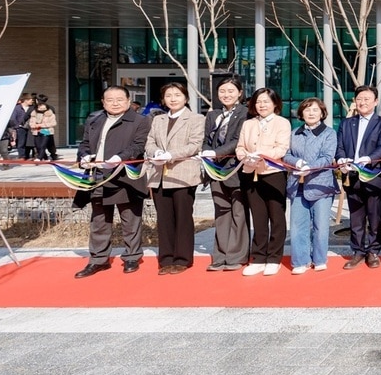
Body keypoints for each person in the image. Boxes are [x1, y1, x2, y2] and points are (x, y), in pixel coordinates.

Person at [73, 85, 152, 278]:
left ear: (128, 101)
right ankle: (98, 260)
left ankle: (132, 257)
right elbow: (84, 143)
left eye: (119, 99)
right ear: (103, 102)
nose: (115, 103)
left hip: (126, 176)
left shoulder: (140, 120)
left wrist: (119, 158)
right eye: (110, 100)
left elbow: (139, 146)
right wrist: (84, 157)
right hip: (98, 176)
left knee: (130, 219)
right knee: (99, 220)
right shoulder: (94, 119)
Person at [144, 81, 204, 276]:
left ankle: (182, 258)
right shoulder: (158, 119)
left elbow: (195, 144)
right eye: (168, 95)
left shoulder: (195, 119)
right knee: (164, 219)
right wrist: (157, 152)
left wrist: (171, 154)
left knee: (183, 218)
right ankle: (166, 258)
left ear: (185, 98)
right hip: (159, 174)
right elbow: (150, 142)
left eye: (177, 95)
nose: (172, 99)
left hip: (182, 174)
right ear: (163, 99)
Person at [236, 87, 292, 276]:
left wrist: (263, 156)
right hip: (251, 173)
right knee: (258, 218)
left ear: (275, 103)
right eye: (258, 102)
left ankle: (274, 258)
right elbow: (240, 147)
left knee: (276, 217)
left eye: (266, 101)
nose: (262, 105)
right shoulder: (249, 124)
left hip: (273, 173)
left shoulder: (282, 123)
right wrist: (245, 157)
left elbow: (281, 148)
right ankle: (258, 257)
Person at [336, 85, 381, 269]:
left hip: (374, 177)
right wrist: (341, 158)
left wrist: (370, 158)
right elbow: (340, 146)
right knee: (356, 217)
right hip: (352, 177)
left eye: (367, 99)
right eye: (359, 98)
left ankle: (373, 251)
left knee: (375, 218)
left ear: (375, 102)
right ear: (355, 101)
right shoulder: (346, 123)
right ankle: (358, 251)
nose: (362, 102)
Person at [285, 97, 339, 275]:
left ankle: (319, 259)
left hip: (320, 185)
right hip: (297, 185)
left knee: (320, 226)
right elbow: (286, 154)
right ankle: (300, 260)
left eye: (315, 110)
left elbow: (327, 156)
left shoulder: (329, 133)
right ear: (301, 113)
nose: (311, 113)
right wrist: (297, 162)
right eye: (307, 110)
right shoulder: (295, 133)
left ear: (322, 113)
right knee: (298, 226)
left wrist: (310, 167)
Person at [202, 76, 250, 272]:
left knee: (239, 213)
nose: (226, 94)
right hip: (215, 170)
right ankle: (220, 254)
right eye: (222, 91)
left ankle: (237, 255)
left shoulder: (245, 113)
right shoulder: (213, 115)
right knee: (221, 214)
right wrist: (207, 153)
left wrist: (216, 153)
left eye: (231, 91)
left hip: (236, 169)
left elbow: (238, 140)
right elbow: (206, 139)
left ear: (239, 93)